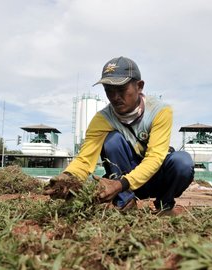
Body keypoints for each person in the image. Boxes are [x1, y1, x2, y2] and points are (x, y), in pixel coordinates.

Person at [43, 56, 195, 213]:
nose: (115, 97)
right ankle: (125, 202)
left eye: (122, 90)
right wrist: (67, 177)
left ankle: (164, 204)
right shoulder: (102, 119)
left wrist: (121, 183)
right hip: (124, 183)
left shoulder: (160, 111)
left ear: (139, 86)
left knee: (182, 162)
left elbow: (155, 158)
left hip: (153, 179)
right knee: (112, 141)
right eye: (109, 91)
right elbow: (85, 159)